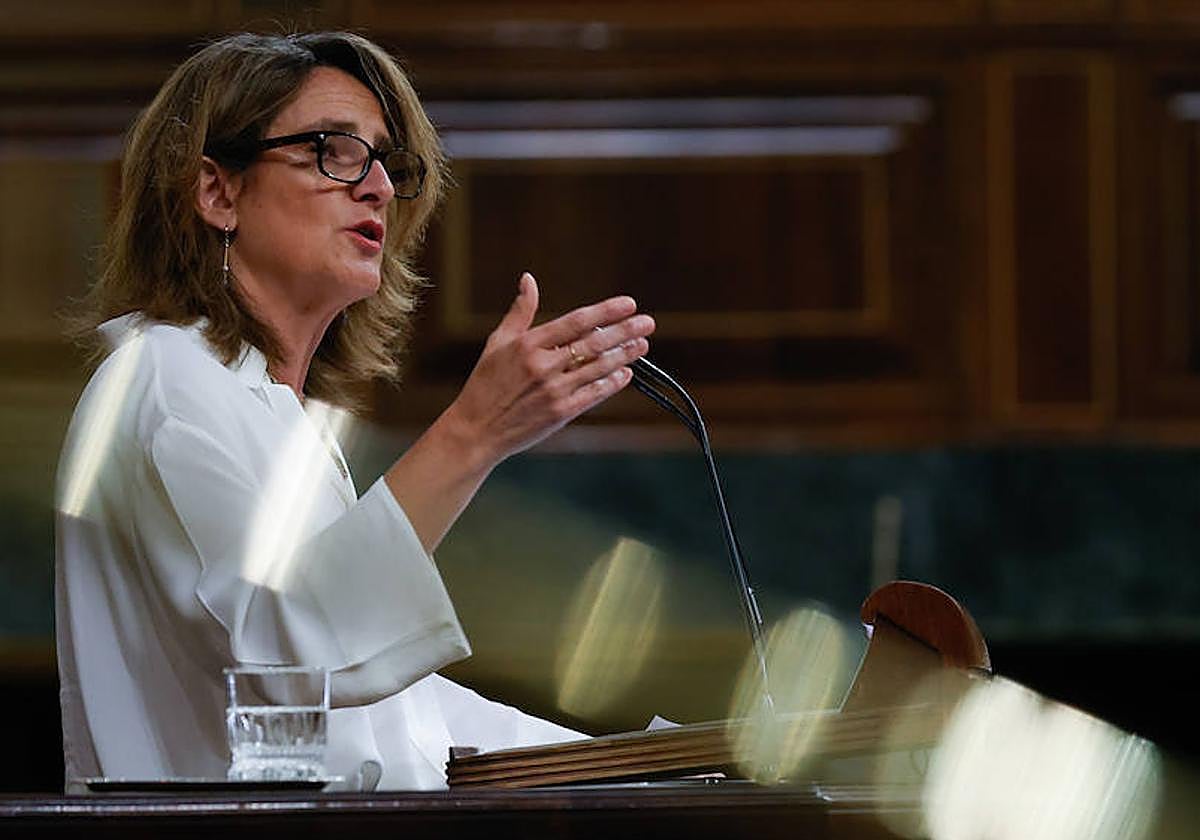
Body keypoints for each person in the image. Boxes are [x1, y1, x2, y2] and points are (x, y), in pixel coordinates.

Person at [53, 31, 655, 791]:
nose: (375, 187)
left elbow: (404, 716)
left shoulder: (281, 415)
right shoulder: (166, 375)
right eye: (334, 150)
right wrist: (473, 434)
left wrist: (659, 764)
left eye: (384, 163)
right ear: (218, 192)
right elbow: (284, 651)